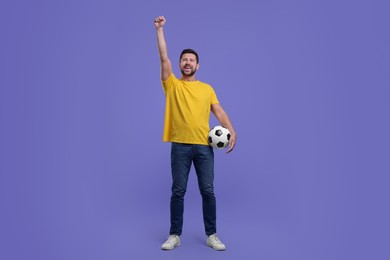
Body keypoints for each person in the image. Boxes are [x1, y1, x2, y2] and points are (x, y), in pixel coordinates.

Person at [154, 16, 236, 251]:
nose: (188, 63)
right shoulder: (172, 85)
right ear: (179, 64)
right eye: (184, 60)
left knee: (207, 191)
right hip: (179, 145)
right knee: (178, 191)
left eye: (192, 60)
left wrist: (232, 130)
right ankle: (174, 235)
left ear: (197, 65)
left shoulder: (207, 88)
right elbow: (163, 57)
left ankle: (212, 235)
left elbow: (218, 110)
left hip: (204, 147)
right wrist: (160, 30)